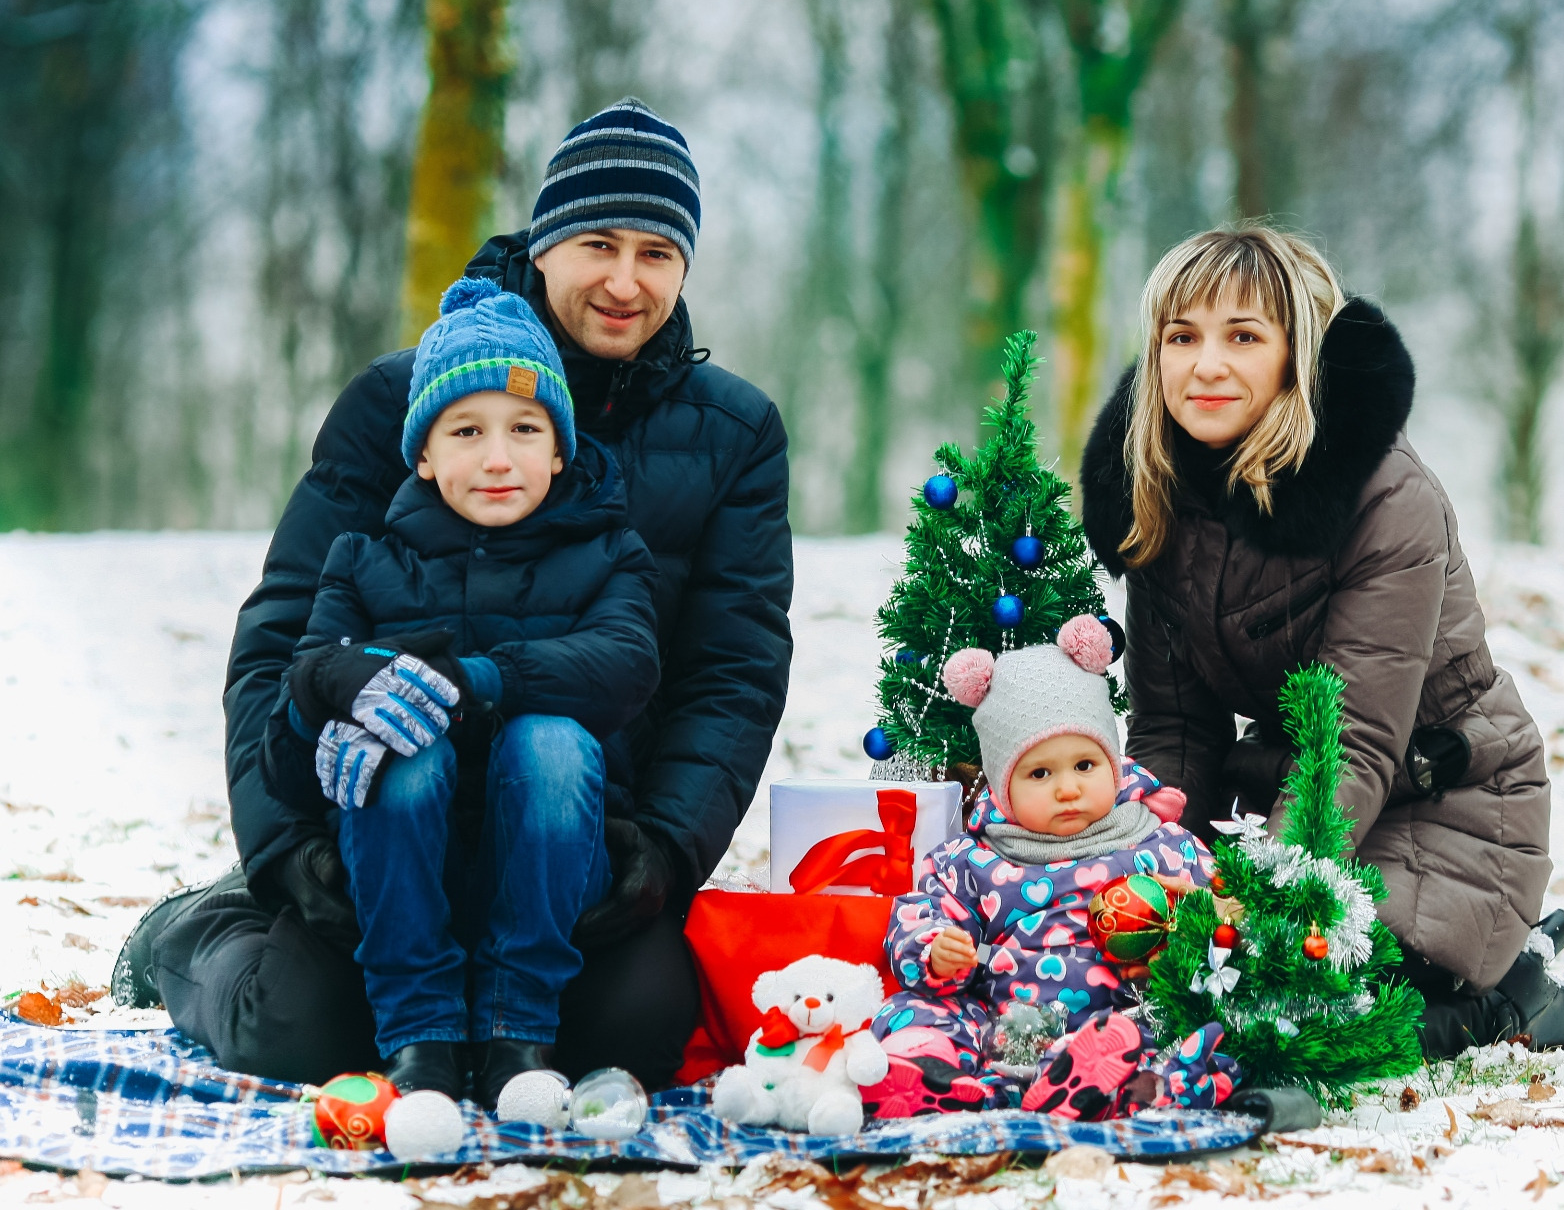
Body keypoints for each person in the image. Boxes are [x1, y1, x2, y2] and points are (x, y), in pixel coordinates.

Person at [113, 98, 793, 1091]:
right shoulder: (399, 401)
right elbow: (284, 640)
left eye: (657, 251)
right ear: (546, 239)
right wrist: (290, 851)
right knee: (302, 1031)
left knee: (634, 1031)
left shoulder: (732, 433)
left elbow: (730, 668)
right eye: (598, 241)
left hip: (578, 826)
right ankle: (193, 927)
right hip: (387, 814)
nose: (623, 278)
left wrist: (664, 848)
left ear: (685, 266)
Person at [1077, 224, 1564, 1058]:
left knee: (1297, 1015)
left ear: (1297, 357)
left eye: (1243, 336)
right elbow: (1176, 734)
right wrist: (1145, 880)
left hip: (1449, 802)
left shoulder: (1387, 496)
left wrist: (1269, 910)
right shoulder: (1159, 491)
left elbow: (1348, 747)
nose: (1206, 365)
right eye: (1182, 337)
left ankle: (1510, 997)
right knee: (1151, 983)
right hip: (1303, 796)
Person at [263, 276, 659, 1112]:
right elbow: (285, 767)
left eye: (525, 429)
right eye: (466, 430)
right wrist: (321, 685)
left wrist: (476, 679)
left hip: (555, 872)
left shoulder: (609, 554)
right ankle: (421, 1040)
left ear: (560, 449)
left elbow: (625, 663)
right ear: (423, 452)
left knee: (548, 740)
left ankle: (521, 1039)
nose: (496, 457)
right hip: (403, 873)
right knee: (394, 751)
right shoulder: (363, 562)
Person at [860, 616, 1241, 1122]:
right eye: (1040, 773)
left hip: (1122, 1018)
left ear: (1113, 763)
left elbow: (1225, 908)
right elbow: (921, 916)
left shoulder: (1160, 843)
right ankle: (940, 1077)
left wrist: (1201, 919)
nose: (1067, 788)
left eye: (1085, 765)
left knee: (1194, 1025)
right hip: (1005, 1021)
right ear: (1003, 788)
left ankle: (1122, 1083)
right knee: (908, 1013)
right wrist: (935, 951)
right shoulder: (973, 859)